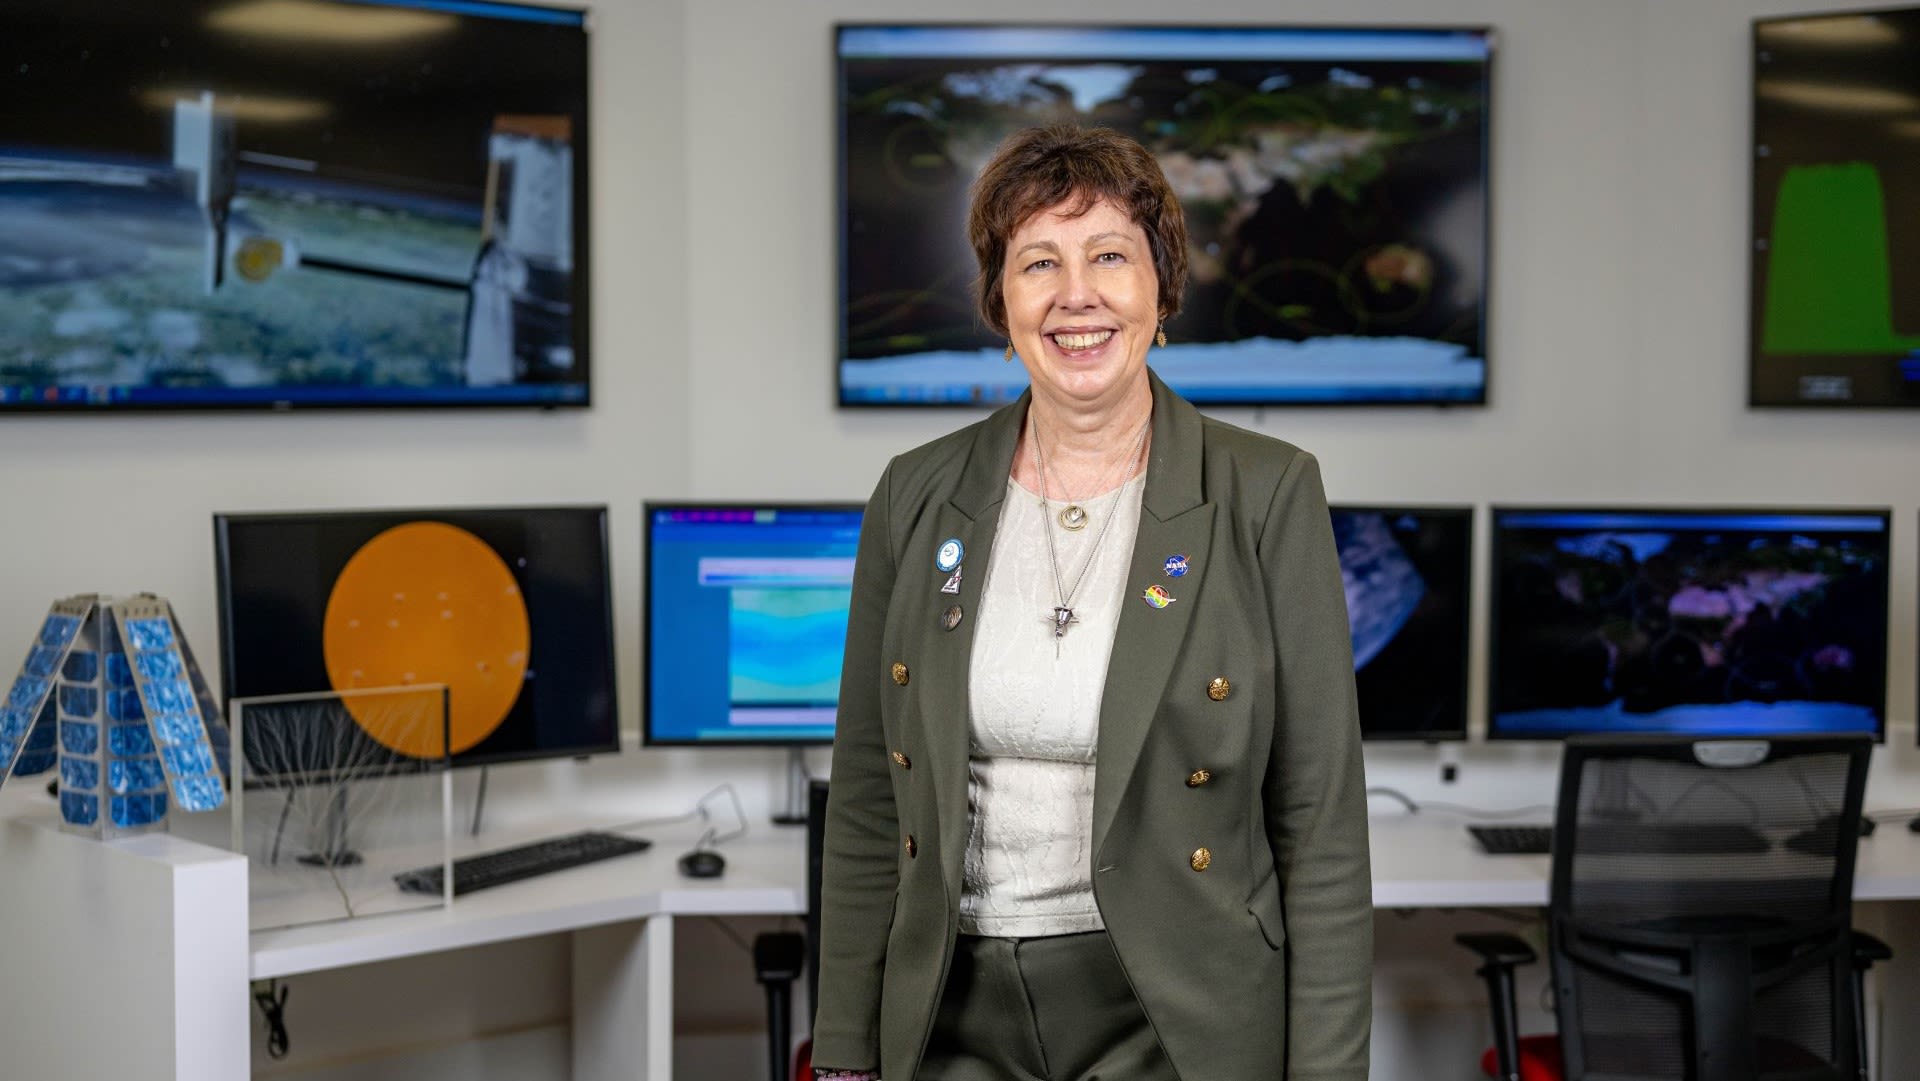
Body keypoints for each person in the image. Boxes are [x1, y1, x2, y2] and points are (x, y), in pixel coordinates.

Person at [812, 123, 1371, 1081]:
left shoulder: (1265, 492)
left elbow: (1320, 824)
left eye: (1109, 254)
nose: (1078, 294)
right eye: (1039, 263)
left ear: (1161, 288)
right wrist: (844, 1052)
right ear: (1002, 301)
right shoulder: (914, 493)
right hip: (948, 1006)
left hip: (1176, 1007)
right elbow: (868, 798)